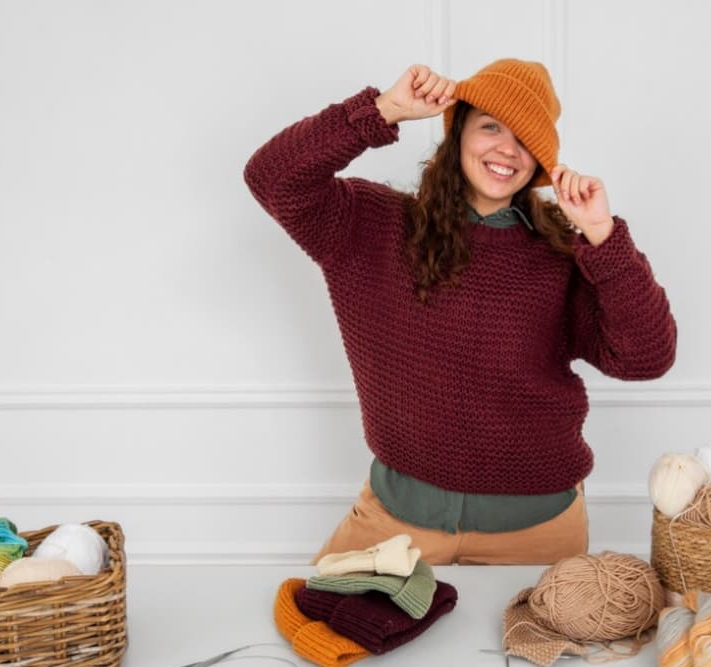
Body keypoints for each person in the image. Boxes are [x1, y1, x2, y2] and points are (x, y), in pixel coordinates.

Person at [244, 59, 677, 565]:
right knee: (313, 629)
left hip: (537, 534)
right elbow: (271, 178)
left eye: (524, 139)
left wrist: (604, 238)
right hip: (393, 526)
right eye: (490, 127)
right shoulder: (370, 225)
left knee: (521, 648)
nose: (506, 150)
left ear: (540, 159)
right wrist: (383, 110)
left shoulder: (563, 251)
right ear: (458, 134)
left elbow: (647, 358)